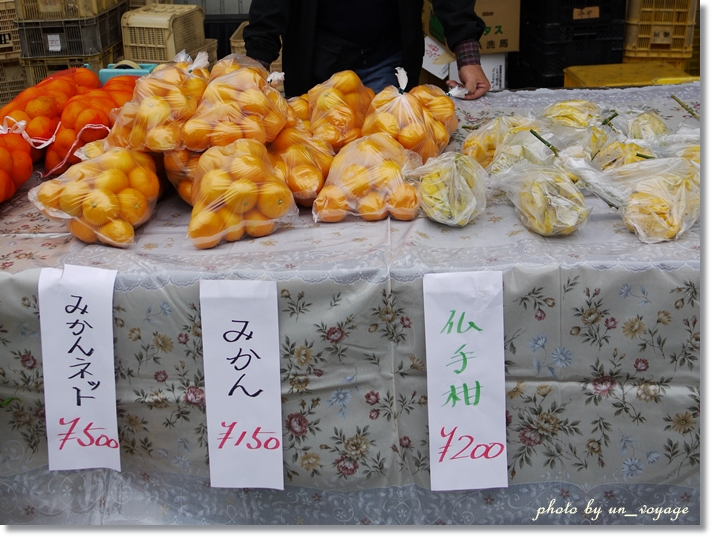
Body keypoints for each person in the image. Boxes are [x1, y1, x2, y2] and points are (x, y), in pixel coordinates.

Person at [244, 1, 491, 99]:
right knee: (314, 161)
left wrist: (467, 55)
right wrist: (258, 62)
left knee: (388, 160)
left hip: (386, 60)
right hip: (317, 62)